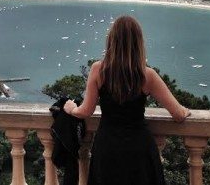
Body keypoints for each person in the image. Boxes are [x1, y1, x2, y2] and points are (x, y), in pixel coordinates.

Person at [63, 15, 191, 185]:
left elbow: (86, 111)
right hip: (139, 148)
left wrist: (71, 108)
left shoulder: (98, 70)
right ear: (139, 42)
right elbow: (178, 114)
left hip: (107, 147)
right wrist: (185, 110)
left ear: (111, 41)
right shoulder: (147, 75)